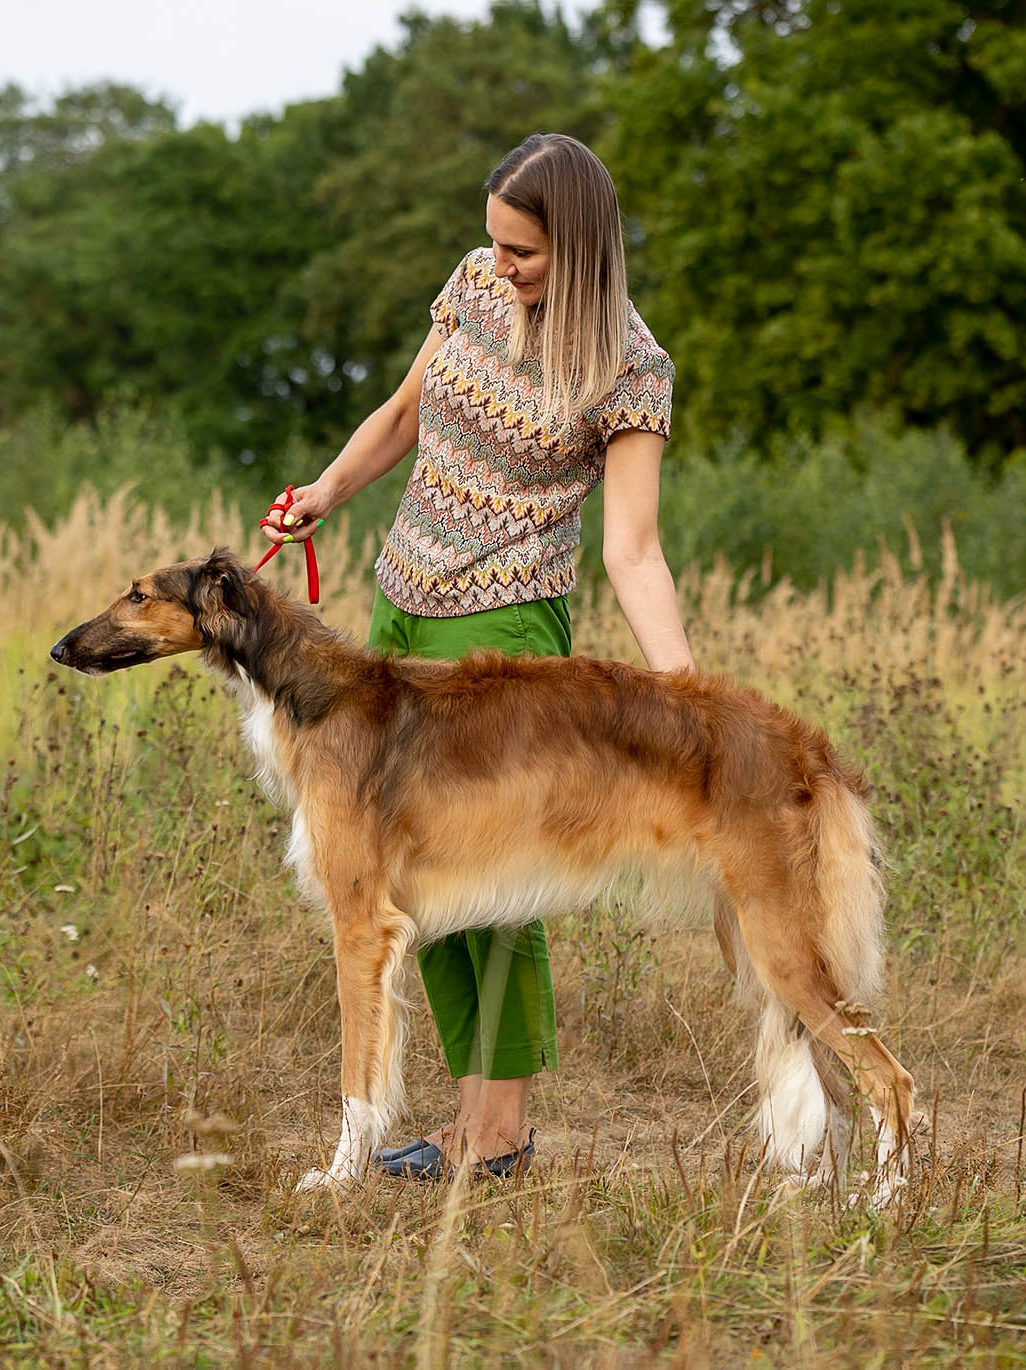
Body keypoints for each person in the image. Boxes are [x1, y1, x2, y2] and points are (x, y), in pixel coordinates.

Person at [259, 131, 692, 1180]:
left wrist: (687, 698)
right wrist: (327, 489)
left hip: (504, 636)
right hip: (401, 612)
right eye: (493, 243)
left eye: (524, 253)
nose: (500, 265)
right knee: (413, 871)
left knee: (493, 885)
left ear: (582, 249)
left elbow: (633, 550)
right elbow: (408, 411)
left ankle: (495, 1133)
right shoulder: (470, 284)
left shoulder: (631, 367)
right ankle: (465, 1125)